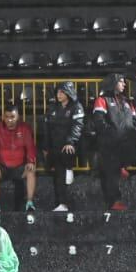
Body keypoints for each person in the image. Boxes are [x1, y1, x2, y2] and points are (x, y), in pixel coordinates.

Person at [92, 73, 136, 211]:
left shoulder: (127, 101)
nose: (124, 84)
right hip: (109, 144)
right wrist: (111, 133)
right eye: (121, 82)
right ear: (113, 83)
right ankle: (115, 201)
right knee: (111, 172)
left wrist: (133, 132)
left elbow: (134, 120)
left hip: (125, 143)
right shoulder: (102, 100)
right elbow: (99, 121)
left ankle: (122, 166)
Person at [41, 82, 84, 213]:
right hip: (55, 146)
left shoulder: (77, 107)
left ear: (68, 93)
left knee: (64, 158)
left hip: (72, 145)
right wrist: (46, 146)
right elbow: (47, 129)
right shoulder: (53, 108)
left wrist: (70, 142)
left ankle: (69, 167)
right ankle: (62, 203)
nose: (59, 95)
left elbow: (77, 126)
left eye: (62, 92)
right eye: (58, 92)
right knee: (56, 171)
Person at [0, 102, 37, 214]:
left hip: (20, 167)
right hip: (3, 167)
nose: (10, 120)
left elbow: (30, 147)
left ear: (18, 116)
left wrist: (31, 161)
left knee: (31, 171)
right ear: (3, 117)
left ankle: (29, 203)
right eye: (7, 117)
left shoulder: (25, 128)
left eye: (12, 117)